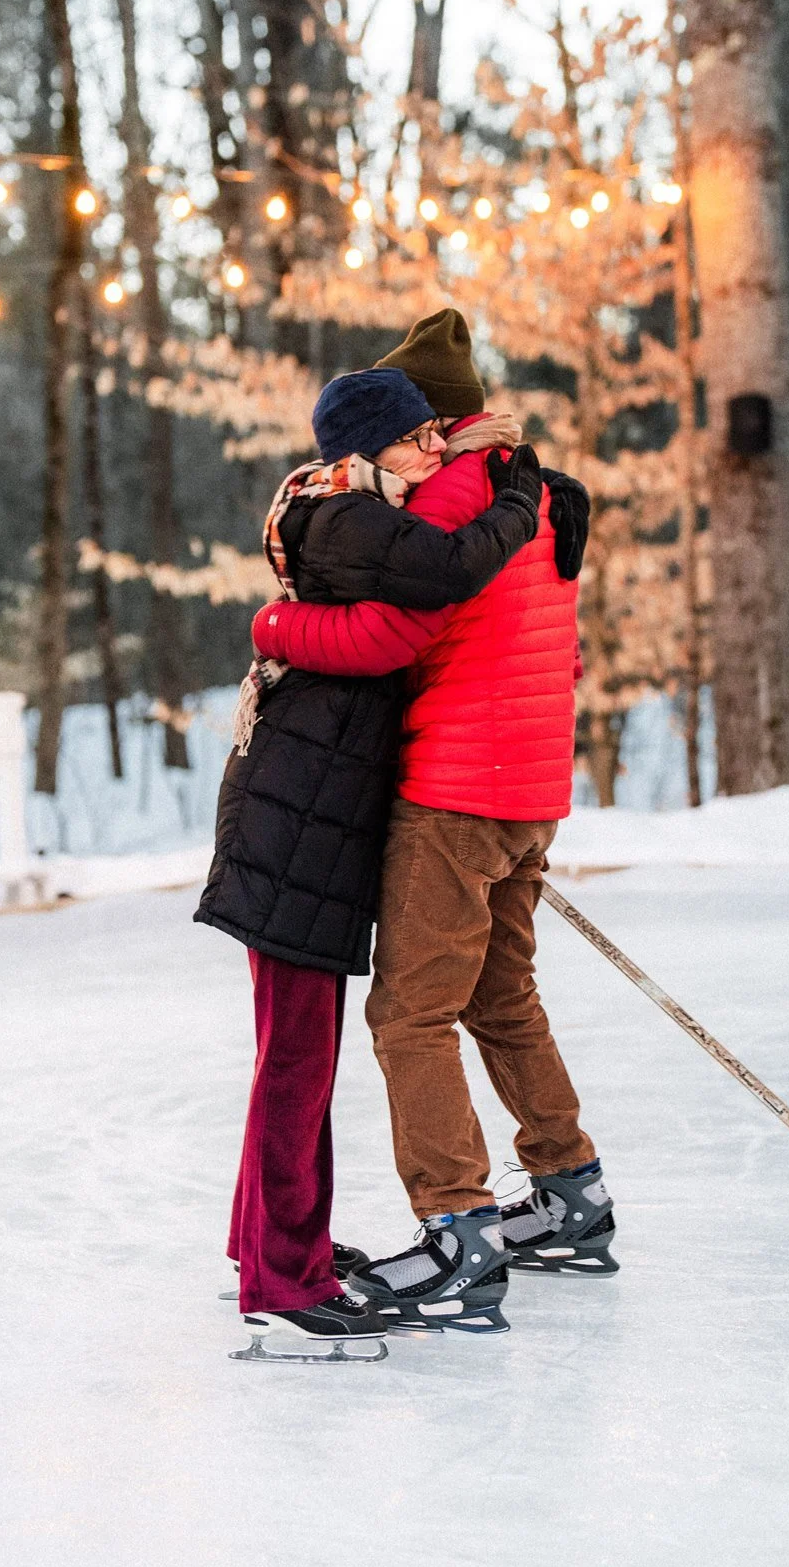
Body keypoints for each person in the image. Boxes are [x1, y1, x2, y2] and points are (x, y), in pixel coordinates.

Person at [249, 308, 614, 1339]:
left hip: (457, 783)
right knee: (502, 994)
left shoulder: (448, 494)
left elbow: (392, 627)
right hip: (534, 780)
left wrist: (274, 622)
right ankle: (569, 1189)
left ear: (436, 419)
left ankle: (457, 1233)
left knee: (409, 1014)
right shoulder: (534, 487)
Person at [195, 361, 546, 1360]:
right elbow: (442, 573)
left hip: (309, 816)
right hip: (297, 821)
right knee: (297, 1062)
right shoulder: (347, 514)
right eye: (419, 436)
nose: (436, 448)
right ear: (367, 444)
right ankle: (280, 1276)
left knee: (293, 1053)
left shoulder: (348, 510)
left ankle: (265, 1240)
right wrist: (516, 488)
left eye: (441, 435)